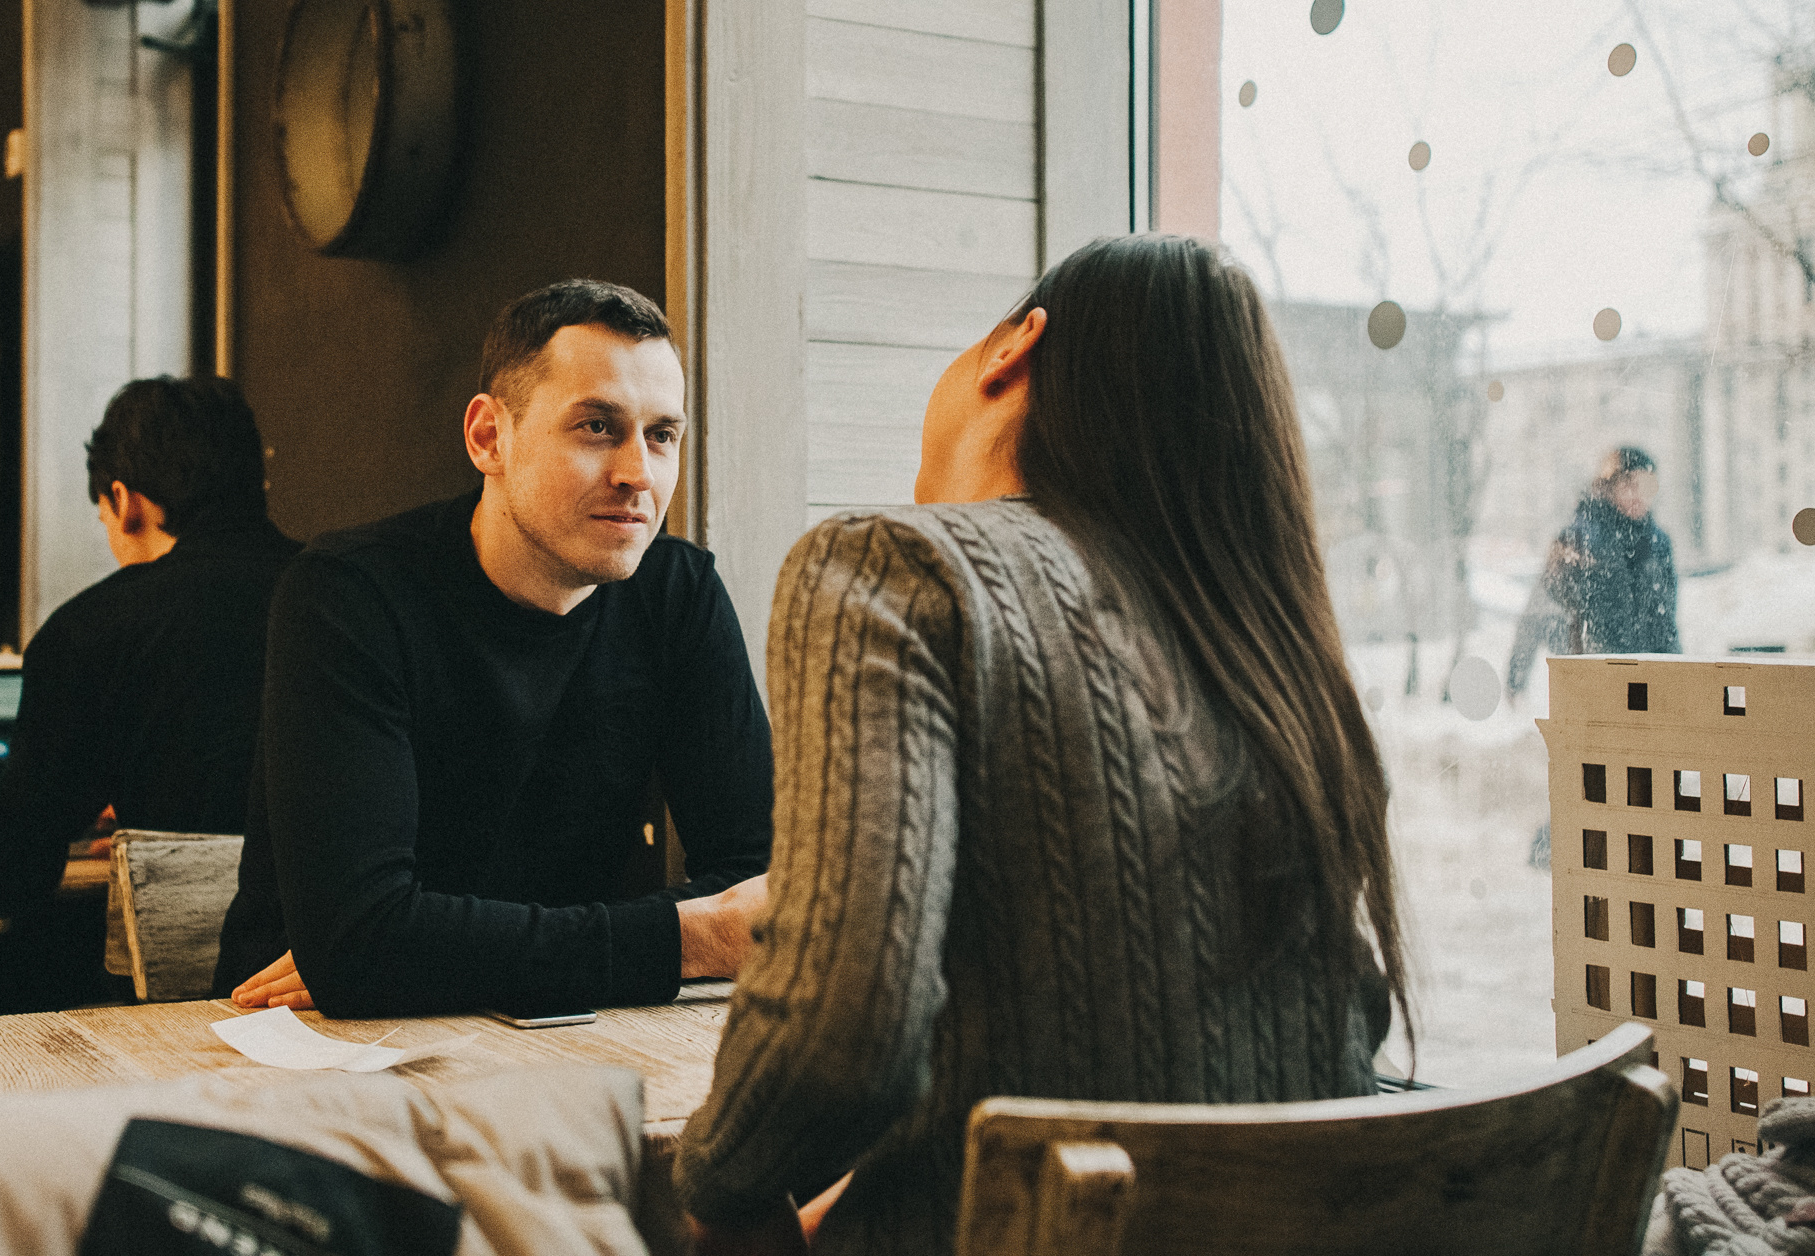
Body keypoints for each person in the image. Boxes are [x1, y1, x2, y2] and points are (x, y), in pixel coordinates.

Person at [674, 236, 1406, 1256]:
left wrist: (711, 1185)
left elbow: (839, 1036)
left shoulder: (889, 568)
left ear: (1013, 349)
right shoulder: (1264, 643)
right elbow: (1333, 1027)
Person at [214, 279, 774, 1019]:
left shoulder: (678, 593)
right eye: (598, 427)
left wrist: (429, 954)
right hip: (310, 1053)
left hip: (573, 1029)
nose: (639, 473)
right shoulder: (349, 595)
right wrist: (686, 939)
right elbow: (358, 946)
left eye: (662, 434)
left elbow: (769, 889)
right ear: (489, 438)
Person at [0, 375, 300, 1015]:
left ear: (125, 500)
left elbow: (11, 875)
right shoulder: (346, 593)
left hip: (168, 1005)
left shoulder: (91, 630)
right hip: (332, 970)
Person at [1507, 447, 1677, 696]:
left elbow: (1665, 623)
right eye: (1629, 484)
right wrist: (1517, 676)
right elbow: (1538, 613)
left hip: (1646, 686)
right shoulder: (1576, 541)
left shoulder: (1657, 545)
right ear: (1609, 486)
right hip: (1591, 682)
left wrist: (1677, 681)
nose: (1638, 494)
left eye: (1647, 485)